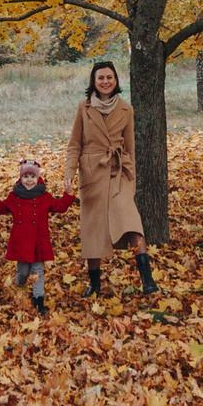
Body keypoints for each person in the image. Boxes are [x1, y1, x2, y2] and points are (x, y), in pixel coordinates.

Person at [68, 59, 156, 296]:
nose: (105, 82)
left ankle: (148, 281)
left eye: (109, 77)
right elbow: (75, 144)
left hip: (119, 174)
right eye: (101, 78)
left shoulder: (127, 109)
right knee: (93, 230)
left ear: (116, 80)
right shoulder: (83, 108)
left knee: (132, 223)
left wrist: (132, 181)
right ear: (94, 82)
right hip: (92, 173)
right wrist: (69, 174)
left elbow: (131, 148)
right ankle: (95, 285)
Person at [0, 158, 78, 315]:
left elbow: (59, 207)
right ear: (20, 178)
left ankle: (38, 301)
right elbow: (0, 208)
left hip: (38, 242)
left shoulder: (44, 196)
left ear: (38, 178)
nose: (29, 180)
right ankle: (20, 292)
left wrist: (67, 195)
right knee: (22, 272)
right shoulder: (15, 196)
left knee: (37, 272)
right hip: (21, 243)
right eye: (26, 176)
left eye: (32, 176)